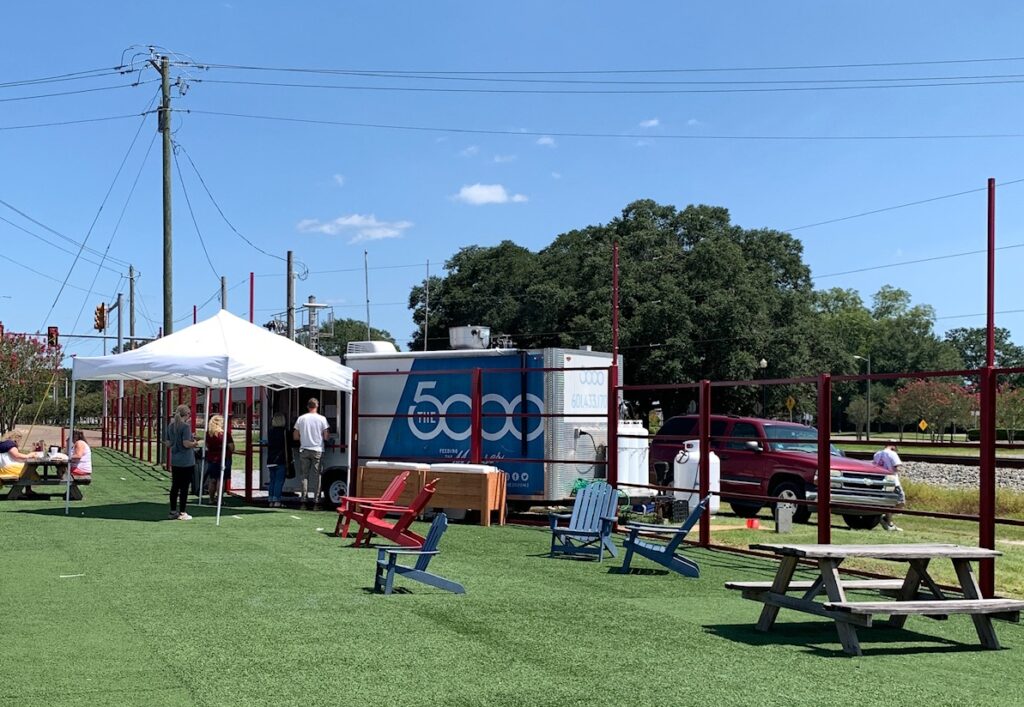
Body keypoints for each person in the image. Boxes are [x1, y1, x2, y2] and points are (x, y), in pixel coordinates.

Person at [293, 397, 329, 509]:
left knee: (304, 475)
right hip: (317, 449)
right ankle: (316, 501)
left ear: (308, 406)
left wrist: (303, 439)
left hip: (304, 449)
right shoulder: (322, 419)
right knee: (317, 476)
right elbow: (326, 436)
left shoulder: (301, 419)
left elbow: (295, 436)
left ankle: (303, 500)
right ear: (317, 406)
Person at [164, 404, 198, 520]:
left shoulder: (171, 426)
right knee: (184, 487)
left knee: (175, 486)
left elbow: (168, 443)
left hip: (175, 460)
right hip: (186, 460)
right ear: (187, 414)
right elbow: (186, 444)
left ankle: (173, 511)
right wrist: (194, 443)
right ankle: (183, 512)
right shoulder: (185, 427)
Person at [872, 440, 906, 532]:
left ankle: (889, 522)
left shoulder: (877, 454)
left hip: (882, 481)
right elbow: (897, 467)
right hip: (893, 482)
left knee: (888, 502)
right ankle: (885, 518)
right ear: (893, 446)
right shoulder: (893, 454)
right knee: (901, 502)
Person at [203, 414, 235, 506]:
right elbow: (232, 447)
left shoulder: (208, 434)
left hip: (212, 458)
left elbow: (207, 446)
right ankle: (220, 499)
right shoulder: (224, 435)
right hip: (223, 458)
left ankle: (211, 499)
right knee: (221, 479)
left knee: (212, 479)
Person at [266, 412, 288, 508]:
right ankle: (277, 500)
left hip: (270, 459)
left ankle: (270, 500)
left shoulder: (270, 431)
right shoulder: (284, 432)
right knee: (279, 481)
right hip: (280, 459)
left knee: (273, 480)